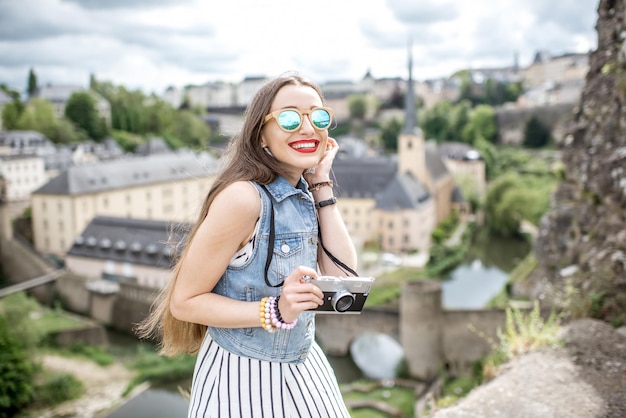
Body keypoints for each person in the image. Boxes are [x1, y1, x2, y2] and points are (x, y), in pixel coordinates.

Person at [137, 72, 357, 417]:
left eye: (318, 116)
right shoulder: (243, 199)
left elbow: (342, 277)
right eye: (288, 118)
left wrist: (322, 183)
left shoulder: (304, 191)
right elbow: (184, 302)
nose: (307, 128)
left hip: (302, 366)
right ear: (262, 136)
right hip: (242, 377)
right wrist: (274, 310)